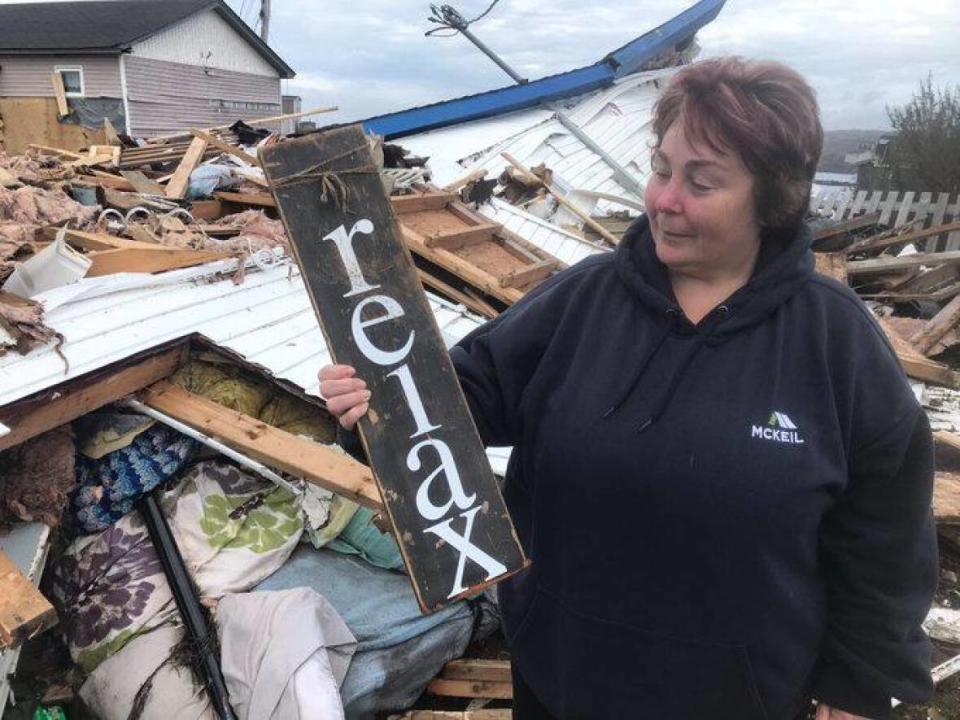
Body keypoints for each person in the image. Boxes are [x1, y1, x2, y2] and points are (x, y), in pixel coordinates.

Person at [320, 57, 937, 720]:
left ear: (772, 196)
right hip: (563, 684)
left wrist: (860, 692)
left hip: (740, 698)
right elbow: (458, 404)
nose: (666, 199)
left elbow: (887, 542)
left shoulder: (833, 339)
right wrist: (378, 404)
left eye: (701, 182)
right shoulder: (582, 300)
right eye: (662, 169)